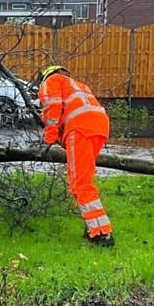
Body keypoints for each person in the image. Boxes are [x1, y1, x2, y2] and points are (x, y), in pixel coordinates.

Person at [35, 64, 114, 247]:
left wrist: (49, 138)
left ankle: (101, 233)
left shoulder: (52, 81)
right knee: (78, 180)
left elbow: (52, 110)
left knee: (81, 184)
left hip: (80, 129)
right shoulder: (78, 85)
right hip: (98, 128)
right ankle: (93, 227)